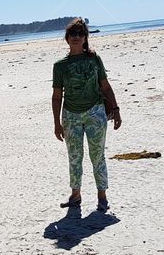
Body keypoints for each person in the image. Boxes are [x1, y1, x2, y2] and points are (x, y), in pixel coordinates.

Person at [51, 18, 121, 212]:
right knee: (74, 157)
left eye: (81, 33)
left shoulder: (94, 59)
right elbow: (56, 97)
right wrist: (57, 123)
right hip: (70, 116)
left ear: (85, 38)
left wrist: (116, 110)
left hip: (95, 113)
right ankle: (76, 195)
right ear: (67, 38)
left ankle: (102, 196)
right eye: (73, 34)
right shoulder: (60, 66)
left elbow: (105, 87)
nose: (77, 37)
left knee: (97, 156)